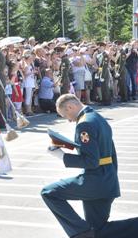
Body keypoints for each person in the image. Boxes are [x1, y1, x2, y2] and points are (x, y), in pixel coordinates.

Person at [41, 94, 138, 238]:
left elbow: (91, 161)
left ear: (70, 106)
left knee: (49, 193)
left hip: (96, 180)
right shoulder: (97, 117)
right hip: (107, 180)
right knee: (98, 231)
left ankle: (81, 233)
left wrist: (61, 156)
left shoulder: (84, 124)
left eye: (65, 115)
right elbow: (110, 153)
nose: (68, 119)